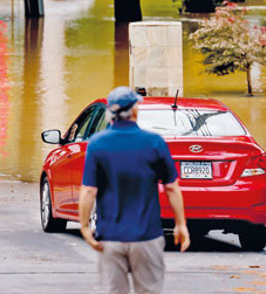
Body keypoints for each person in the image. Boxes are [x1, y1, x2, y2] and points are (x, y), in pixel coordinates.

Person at [78, 86, 189, 294]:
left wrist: (84, 227)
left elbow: (89, 190)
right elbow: (172, 187)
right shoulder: (153, 142)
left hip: (110, 238)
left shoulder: (97, 144)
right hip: (147, 236)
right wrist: (180, 224)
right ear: (135, 110)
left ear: (110, 112)